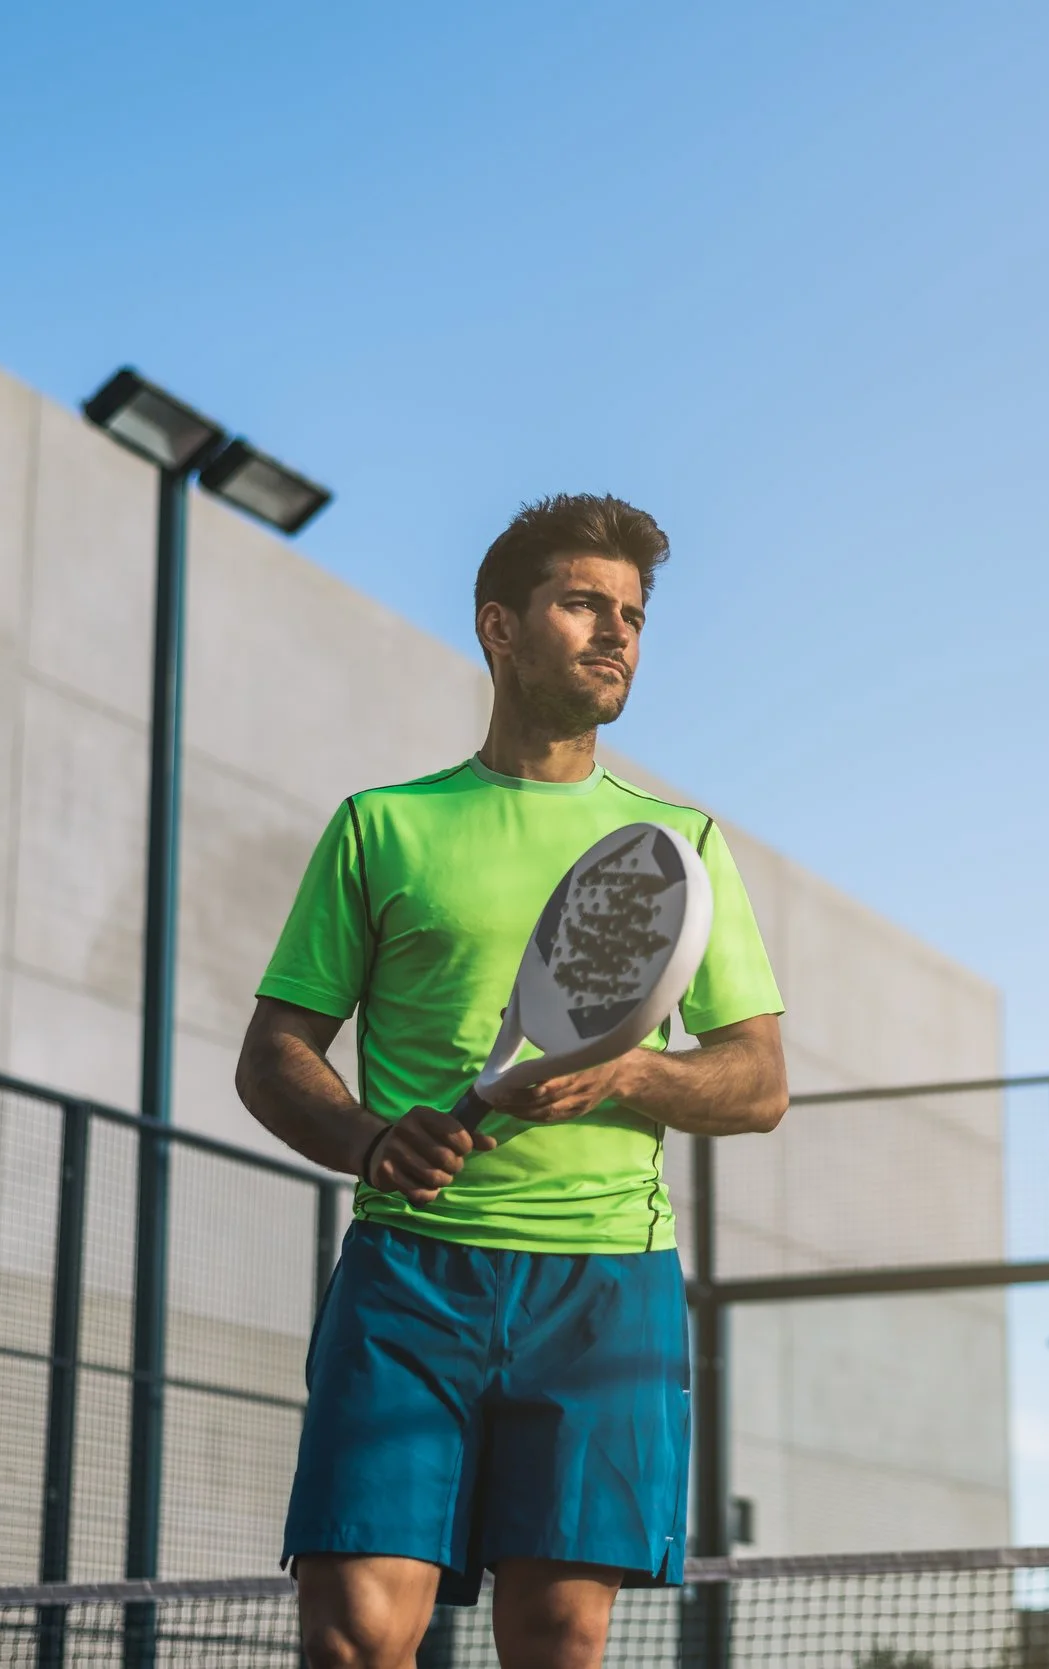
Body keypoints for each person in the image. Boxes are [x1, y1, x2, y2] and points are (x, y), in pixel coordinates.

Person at [235, 493, 787, 1669]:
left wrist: (630, 1070)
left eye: (633, 615)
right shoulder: (381, 826)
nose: (616, 633)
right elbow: (276, 1054)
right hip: (408, 1276)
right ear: (499, 624)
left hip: (603, 1288)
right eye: (584, 603)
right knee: (353, 1639)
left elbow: (755, 1083)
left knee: (559, 1641)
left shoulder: (681, 843)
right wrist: (370, 1138)